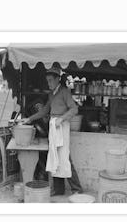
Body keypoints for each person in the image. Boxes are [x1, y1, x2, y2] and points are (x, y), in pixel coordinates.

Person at [20, 67, 83, 195]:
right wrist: (29, 119)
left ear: (57, 79)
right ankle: (59, 190)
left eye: (50, 80)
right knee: (55, 158)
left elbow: (74, 109)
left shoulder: (65, 92)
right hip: (54, 126)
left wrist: (62, 119)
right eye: (47, 81)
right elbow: (44, 111)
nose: (48, 83)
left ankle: (77, 189)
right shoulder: (51, 94)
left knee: (64, 158)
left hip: (62, 126)